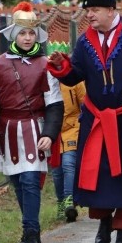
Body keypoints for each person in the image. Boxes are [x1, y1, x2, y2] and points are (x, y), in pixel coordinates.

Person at [46, 0, 122, 243]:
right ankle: (104, 221)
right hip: (96, 119)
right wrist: (62, 67)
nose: (90, 15)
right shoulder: (85, 41)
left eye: (95, 10)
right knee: (100, 174)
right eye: (88, 10)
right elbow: (76, 75)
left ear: (111, 10)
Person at [0, 1, 63, 243]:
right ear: (14, 34)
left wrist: (49, 133)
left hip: (34, 128)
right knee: (17, 181)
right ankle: (29, 227)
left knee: (31, 179)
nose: (27, 38)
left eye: (31, 33)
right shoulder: (0, 63)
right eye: (23, 33)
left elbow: (54, 104)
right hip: (9, 131)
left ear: (36, 35)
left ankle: (32, 231)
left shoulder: (45, 64)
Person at [50, 80, 86, 222]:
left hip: (72, 128)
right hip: (54, 132)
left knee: (68, 163)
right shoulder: (46, 83)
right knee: (56, 170)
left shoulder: (74, 82)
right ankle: (60, 202)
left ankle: (69, 201)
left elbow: (85, 104)